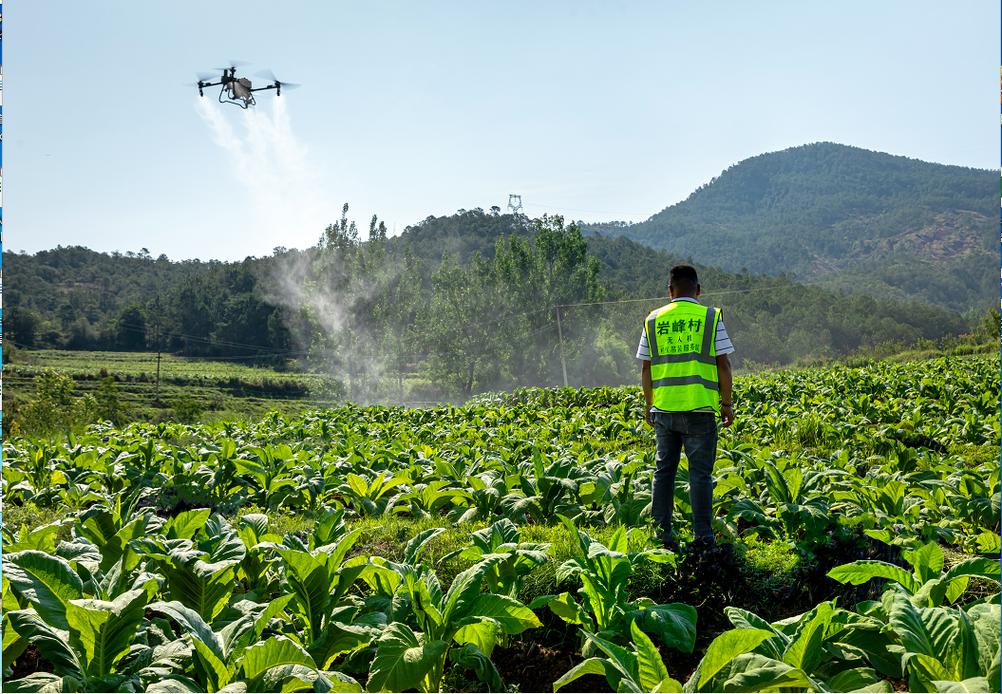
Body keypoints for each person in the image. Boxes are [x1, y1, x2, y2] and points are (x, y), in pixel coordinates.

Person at [636, 265, 734, 551]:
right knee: (700, 475)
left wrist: (649, 404)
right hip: (700, 410)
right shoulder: (710, 317)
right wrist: (726, 404)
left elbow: (646, 369)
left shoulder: (653, 320)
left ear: (670, 291)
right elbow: (724, 365)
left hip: (664, 410)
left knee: (663, 472)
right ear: (698, 290)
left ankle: (661, 534)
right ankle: (702, 537)